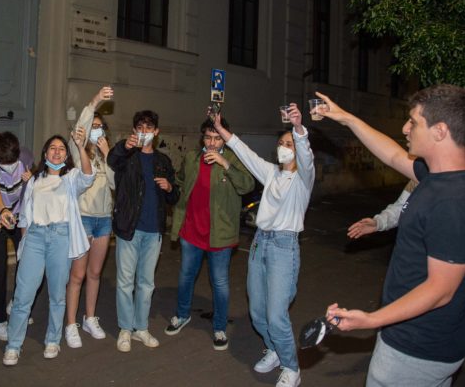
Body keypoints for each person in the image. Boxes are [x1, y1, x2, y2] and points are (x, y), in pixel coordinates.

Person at [319, 85, 465, 387]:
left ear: (440, 131)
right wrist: (345, 118)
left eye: (413, 122)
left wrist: (371, 319)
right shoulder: (438, 176)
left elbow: (440, 290)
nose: (405, 129)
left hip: (417, 349)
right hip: (416, 340)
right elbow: (393, 155)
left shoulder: (454, 203)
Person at [211, 104, 313, 387]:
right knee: (257, 311)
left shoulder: (303, 179)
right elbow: (244, 152)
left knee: (276, 314)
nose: (283, 147)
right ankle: (274, 350)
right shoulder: (270, 173)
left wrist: (298, 129)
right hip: (259, 244)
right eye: (281, 143)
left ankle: (292, 367)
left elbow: (306, 156)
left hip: (284, 247)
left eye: (289, 144)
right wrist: (220, 129)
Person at [2, 130, 94, 365]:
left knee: (57, 294)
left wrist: (80, 146)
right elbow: (25, 216)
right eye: (52, 148)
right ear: (45, 153)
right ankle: (13, 345)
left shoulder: (71, 178)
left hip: (60, 237)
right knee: (23, 295)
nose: (57, 152)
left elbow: (88, 175)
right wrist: (25, 243)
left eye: (61, 149)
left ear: (66, 155)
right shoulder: (34, 180)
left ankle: (53, 340)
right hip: (35, 237)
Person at [165, 117, 254, 351]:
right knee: (186, 276)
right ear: (202, 138)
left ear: (224, 138)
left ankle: (219, 327)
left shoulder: (234, 158)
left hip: (220, 234)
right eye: (208, 137)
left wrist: (225, 163)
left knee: (220, 282)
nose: (212, 143)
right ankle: (182, 314)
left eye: (217, 138)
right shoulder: (192, 158)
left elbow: (247, 185)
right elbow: (181, 180)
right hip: (191, 231)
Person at [107, 110, 180, 353]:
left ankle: (141, 327)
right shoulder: (127, 156)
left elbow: (174, 196)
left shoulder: (163, 161)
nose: (144, 132)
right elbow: (112, 160)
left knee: (146, 283)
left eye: (149, 128)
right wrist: (124, 146)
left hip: (153, 230)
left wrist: (169, 188)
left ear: (156, 132)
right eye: (140, 128)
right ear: (134, 131)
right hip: (129, 228)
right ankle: (125, 329)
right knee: (125, 282)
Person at [347, 148, 465, 248]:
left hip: (454, 269)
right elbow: (402, 207)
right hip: (415, 263)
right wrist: (379, 222)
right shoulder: (422, 175)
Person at [65, 86, 116, 348]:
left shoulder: (109, 156)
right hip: (83, 218)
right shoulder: (78, 152)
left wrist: (109, 155)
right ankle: (70, 324)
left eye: (100, 127)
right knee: (78, 275)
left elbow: (116, 184)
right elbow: (79, 128)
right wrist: (95, 101)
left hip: (103, 220)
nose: (96, 129)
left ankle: (90, 318)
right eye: (93, 126)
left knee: (95, 273)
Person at [0, 131, 33, 341]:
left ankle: (16, 303)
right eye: (5, 161)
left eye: (12, 159)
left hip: (17, 216)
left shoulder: (24, 159)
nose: (10, 164)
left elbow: (34, 181)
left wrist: (30, 179)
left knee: (26, 260)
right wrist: (3, 210)